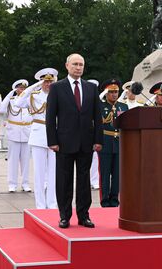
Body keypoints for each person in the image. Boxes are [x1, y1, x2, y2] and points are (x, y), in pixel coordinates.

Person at [46, 54, 103, 229]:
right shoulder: (57, 88)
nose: (78, 67)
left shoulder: (91, 88)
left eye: (81, 65)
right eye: (75, 64)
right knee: (64, 180)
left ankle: (83, 215)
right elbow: (50, 117)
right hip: (63, 142)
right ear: (67, 66)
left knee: (84, 180)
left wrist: (98, 139)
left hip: (86, 142)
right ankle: (64, 215)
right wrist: (52, 141)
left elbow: (97, 117)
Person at [15, 68, 58, 209]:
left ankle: (52, 203)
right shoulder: (33, 96)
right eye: (45, 82)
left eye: (50, 81)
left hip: (55, 135)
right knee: (39, 173)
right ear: (41, 83)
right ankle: (40, 204)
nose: (48, 84)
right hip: (39, 134)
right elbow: (18, 103)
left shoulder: (58, 95)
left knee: (53, 172)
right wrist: (34, 86)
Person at [0, 79, 33, 193]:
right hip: (13, 132)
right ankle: (12, 184)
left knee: (26, 161)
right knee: (12, 160)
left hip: (26, 133)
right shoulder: (11, 100)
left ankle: (25, 183)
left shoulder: (30, 100)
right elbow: (2, 109)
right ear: (16, 89)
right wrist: (10, 94)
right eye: (19, 88)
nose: (22, 90)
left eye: (24, 88)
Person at [98, 79, 128, 207]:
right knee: (105, 174)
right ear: (106, 93)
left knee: (117, 175)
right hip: (105, 142)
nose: (114, 94)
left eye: (116, 92)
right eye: (111, 92)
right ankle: (105, 201)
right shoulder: (100, 106)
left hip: (119, 143)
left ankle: (114, 200)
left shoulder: (123, 106)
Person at [88, 79, 100, 190]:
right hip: (86, 132)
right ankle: (90, 180)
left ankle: (95, 180)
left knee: (95, 159)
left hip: (94, 132)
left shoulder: (98, 98)